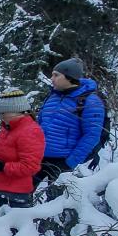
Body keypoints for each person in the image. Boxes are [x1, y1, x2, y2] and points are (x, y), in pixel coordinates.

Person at [0, 89, 45, 220]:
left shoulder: (30, 131)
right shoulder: (7, 128)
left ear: (17, 111)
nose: (1, 117)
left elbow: (30, 166)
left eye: (3, 113)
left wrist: (0, 166)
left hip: (15, 195)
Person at [33, 58, 105, 189]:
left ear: (69, 77)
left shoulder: (90, 101)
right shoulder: (52, 96)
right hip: (39, 156)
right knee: (23, 192)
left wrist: (70, 162)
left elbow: (92, 136)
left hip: (63, 160)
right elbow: (40, 124)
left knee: (55, 201)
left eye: (56, 75)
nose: (52, 78)